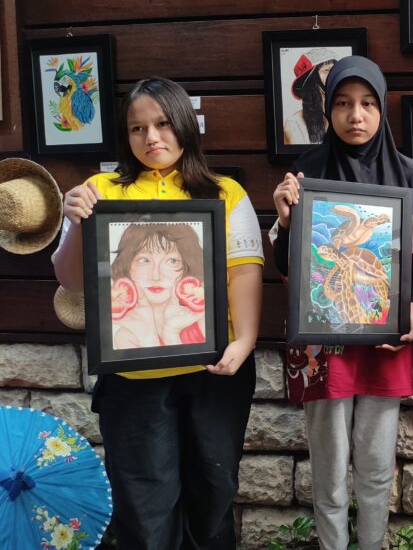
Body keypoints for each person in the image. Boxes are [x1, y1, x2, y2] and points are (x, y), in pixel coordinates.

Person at [52, 77, 265, 549]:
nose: (151, 137)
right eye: (137, 128)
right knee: (144, 509)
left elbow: (244, 272)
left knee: (213, 495)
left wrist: (245, 340)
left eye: (163, 123)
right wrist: (76, 224)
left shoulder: (226, 192)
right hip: (134, 381)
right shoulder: (99, 191)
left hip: (214, 374)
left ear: (185, 124)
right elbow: (70, 279)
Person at [270, 56, 413, 550]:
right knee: (329, 467)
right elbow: (288, 268)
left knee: (377, 465)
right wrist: (285, 219)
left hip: (385, 341)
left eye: (367, 104)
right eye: (342, 103)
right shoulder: (304, 175)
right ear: (328, 110)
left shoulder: (411, 178)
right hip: (324, 342)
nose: (355, 115)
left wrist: (411, 311)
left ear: (382, 108)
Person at [109, 223, 207, 349]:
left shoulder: (202, 321)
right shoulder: (126, 337)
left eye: (172, 261)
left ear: (188, 266)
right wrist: (147, 336)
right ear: (126, 266)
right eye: (144, 260)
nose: (156, 276)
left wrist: (171, 333)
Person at [283, 48, 338, 145]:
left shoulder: (341, 112)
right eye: (326, 70)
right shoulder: (294, 124)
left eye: (334, 69)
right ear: (313, 79)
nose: (333, 74)